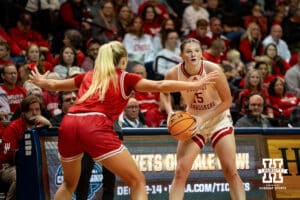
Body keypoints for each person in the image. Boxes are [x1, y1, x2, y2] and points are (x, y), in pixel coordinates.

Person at [29, 40, 218, 200]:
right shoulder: (125, 77)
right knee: (137, 181)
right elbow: (160, 84)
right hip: (94, 125)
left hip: (69, 123)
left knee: (69, 184)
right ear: (123, 60)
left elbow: (55, 84)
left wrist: (41, 82)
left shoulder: (88, 75)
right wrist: (195, 84)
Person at [160, 38, 245, 200]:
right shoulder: (173, 73)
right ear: (181, 55)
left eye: (197, 51)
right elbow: (163, 90)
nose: (193, 54)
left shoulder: (213, 70)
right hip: (192, 120)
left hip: (218, 119)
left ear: (202, 53)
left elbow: (227, 101)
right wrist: (170, 111)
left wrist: (203, 118)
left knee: (231, 170)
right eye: (189, 51)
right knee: (180, 171)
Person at [1, 95, 52, 200]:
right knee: (21, 174)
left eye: (37, 109)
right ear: (23, 112)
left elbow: (51, 147)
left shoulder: (42, 125)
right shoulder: (13, 127)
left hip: (38, 165)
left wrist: (48, 124)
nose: (34, 113)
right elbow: (7, 155)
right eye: (30, 110)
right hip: (10, 167)